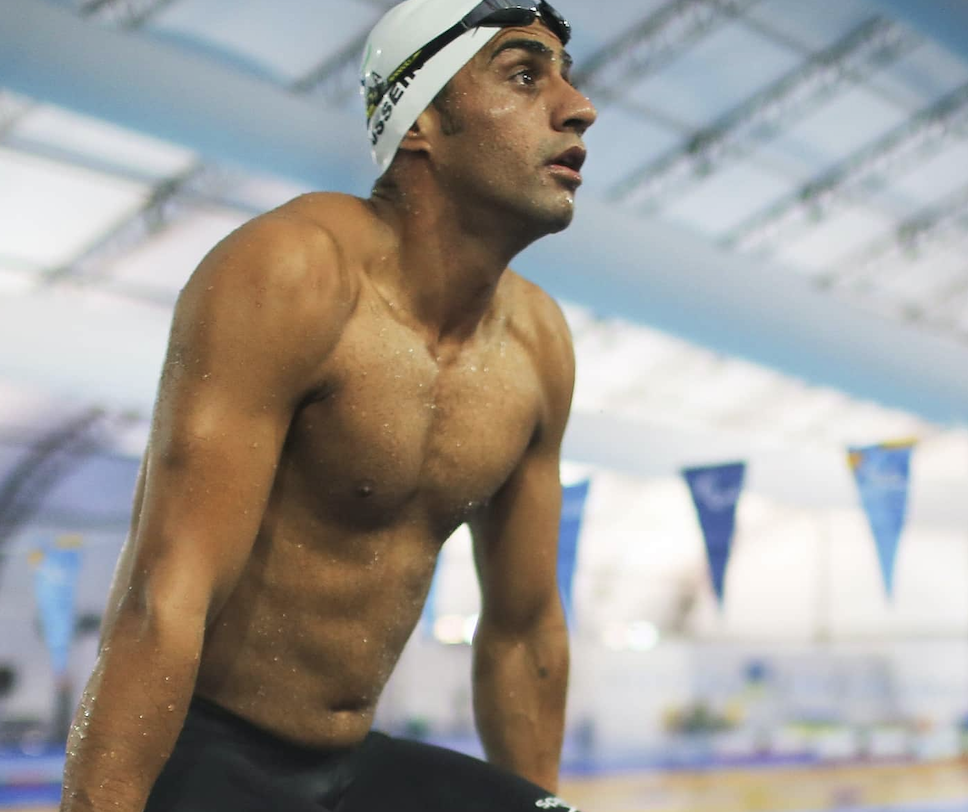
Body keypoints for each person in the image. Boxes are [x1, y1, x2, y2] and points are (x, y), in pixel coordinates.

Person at [60, 0, 596, 809]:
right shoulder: (292, 275)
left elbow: (523, 633)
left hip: (349, 765)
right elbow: (165, 595)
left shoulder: (538, 344)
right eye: (524, 76)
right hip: (208, 754)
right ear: (422, 122)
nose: (579, 106)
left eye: (565, 77)